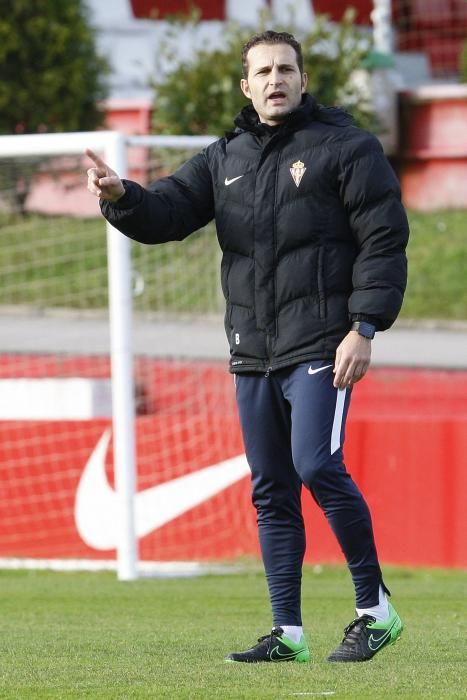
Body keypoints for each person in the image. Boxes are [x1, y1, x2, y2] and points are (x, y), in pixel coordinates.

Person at [87, 30, 409, 664]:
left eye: (285, 68)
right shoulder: (223, 157)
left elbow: (384, 241)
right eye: (262, 71)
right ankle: (288, 633)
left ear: (302, 77)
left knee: (316, 465)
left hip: (323, 342)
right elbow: (168, 214)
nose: (274, 79)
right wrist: (122, 197)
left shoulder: (347, 148)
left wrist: (364, 327)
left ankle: (376, 609)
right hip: (253, 351)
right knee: (271, 488)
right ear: (246, 86)